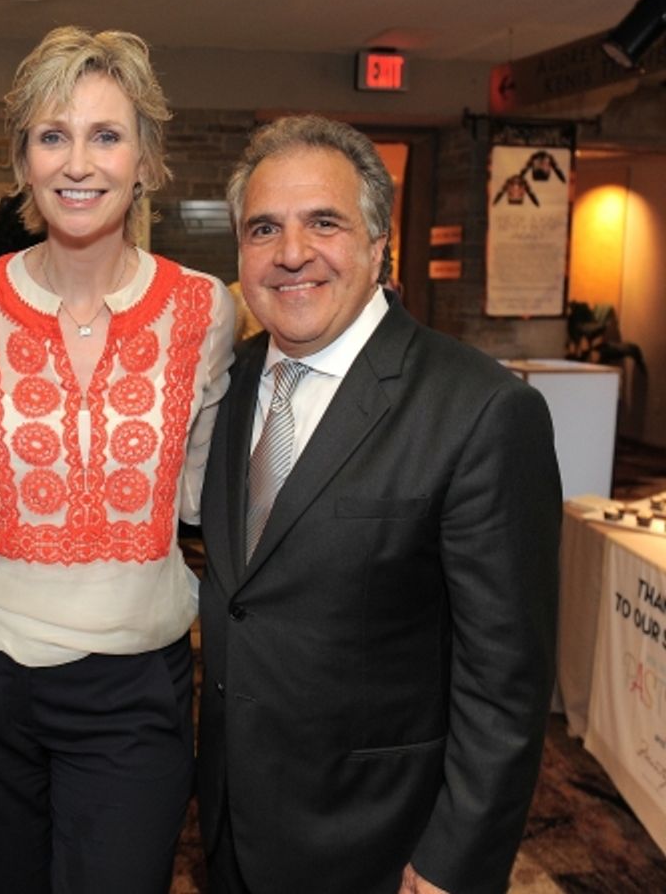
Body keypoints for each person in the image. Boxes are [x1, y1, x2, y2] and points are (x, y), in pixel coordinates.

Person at [196, 113, 561, 894]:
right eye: (264, 229)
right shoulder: (225, 382)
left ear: (376, 242)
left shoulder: (481, 411)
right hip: (232, 832)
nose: (291, 254)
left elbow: (505, 683)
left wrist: (453, 862)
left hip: (382, 850)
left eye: (322, 223)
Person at [0, 26, 234, 894]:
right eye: (52, 136)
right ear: (23, 160)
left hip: (137, 686)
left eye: (106, 135)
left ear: (146, 159)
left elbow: (198, 495)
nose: (79, 163)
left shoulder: (203, 310)